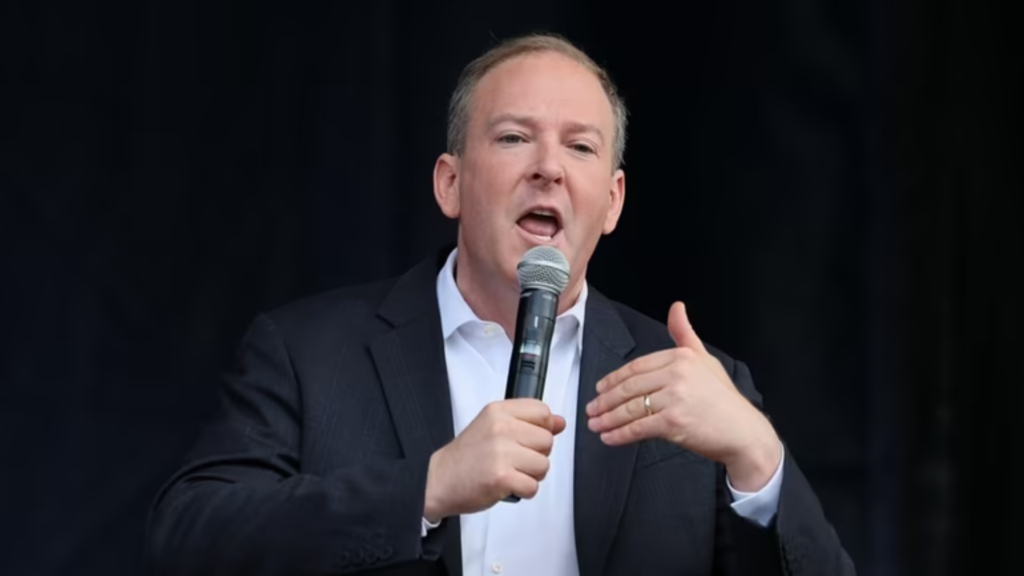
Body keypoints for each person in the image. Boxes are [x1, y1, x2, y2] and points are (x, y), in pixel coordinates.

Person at [146, 33, 854, 576]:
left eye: (580, 147)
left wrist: (757, 458)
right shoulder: (307, 353)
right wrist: (426, 488)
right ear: (450, 184)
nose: (547, 166)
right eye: (514, 138)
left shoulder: (691, 383)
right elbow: (188, 538)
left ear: (611, 203)